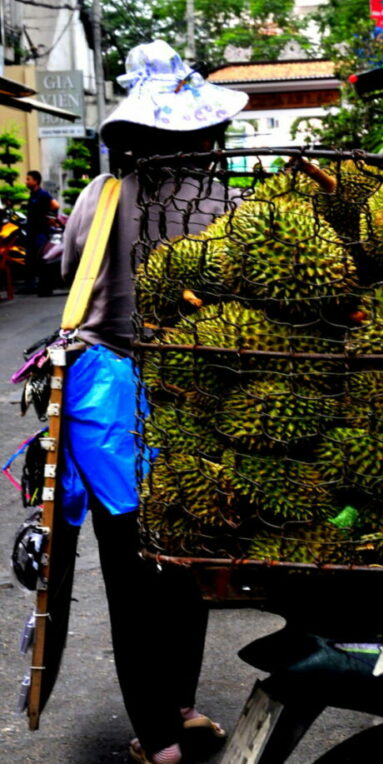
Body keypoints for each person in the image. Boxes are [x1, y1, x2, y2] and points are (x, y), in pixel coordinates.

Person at [60, 40, 249, 764]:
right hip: (197, 399)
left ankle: (159, 733)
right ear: (202, 132)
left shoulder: (96, 198)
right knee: (186, 561)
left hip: (105, 407)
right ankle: (177, 707)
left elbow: (78, 287)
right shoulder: (223, 202)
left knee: (131, 571)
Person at [22, 170, 60, 295]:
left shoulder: (42, 194)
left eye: (28, 179)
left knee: (41, 258)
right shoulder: (32, 195)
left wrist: (49, 217)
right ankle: (30, 285)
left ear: (36, 181)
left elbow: (55, 205)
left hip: (40, 232)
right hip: (31, 231)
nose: (26, 182)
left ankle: (44, 285)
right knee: (30, 259)